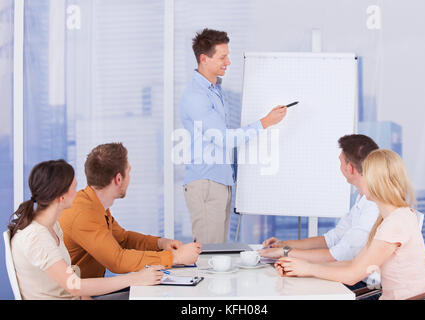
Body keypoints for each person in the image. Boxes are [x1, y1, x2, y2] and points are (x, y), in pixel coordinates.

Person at [275, 149, 425, 300]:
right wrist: (303, 268)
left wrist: (307, 269)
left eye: (365, 174)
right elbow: (355, 264)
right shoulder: (393, 217)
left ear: (377, 182)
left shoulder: (395, 223)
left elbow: (352, 275)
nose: (360, 179)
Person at [179, 28, 287, 244]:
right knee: (209, 256)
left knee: (218, 252)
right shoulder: (196, 96)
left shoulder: (214, 91)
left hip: (220, 181)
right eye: (222, 57)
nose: (228, 62)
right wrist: (266, 122)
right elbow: (224, 139)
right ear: (204, 58)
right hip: (207, 183)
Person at [9, 160, 164, 300]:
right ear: (61, 198)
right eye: (73, 189)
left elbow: (71, 286)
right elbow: (74, 286)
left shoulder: (52, 226)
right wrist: (135, 278)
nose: (77, 194)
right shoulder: (37, 237)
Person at [59, 143, 201, 279]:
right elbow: (117, 260)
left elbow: (123, 239)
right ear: (118, 179)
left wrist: (160, 243)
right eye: (129, 171)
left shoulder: (94, 205)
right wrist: (176, 257)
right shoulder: (83, 214)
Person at [260, 134, 379, 267]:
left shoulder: (373, 207)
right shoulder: (362, 199)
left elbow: (337, 255)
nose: (339, 166)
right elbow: (331, 239)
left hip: (361, 284)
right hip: (348, 273)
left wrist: (285, 252)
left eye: (340, 162)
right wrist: (285, 244)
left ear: (349, 168)